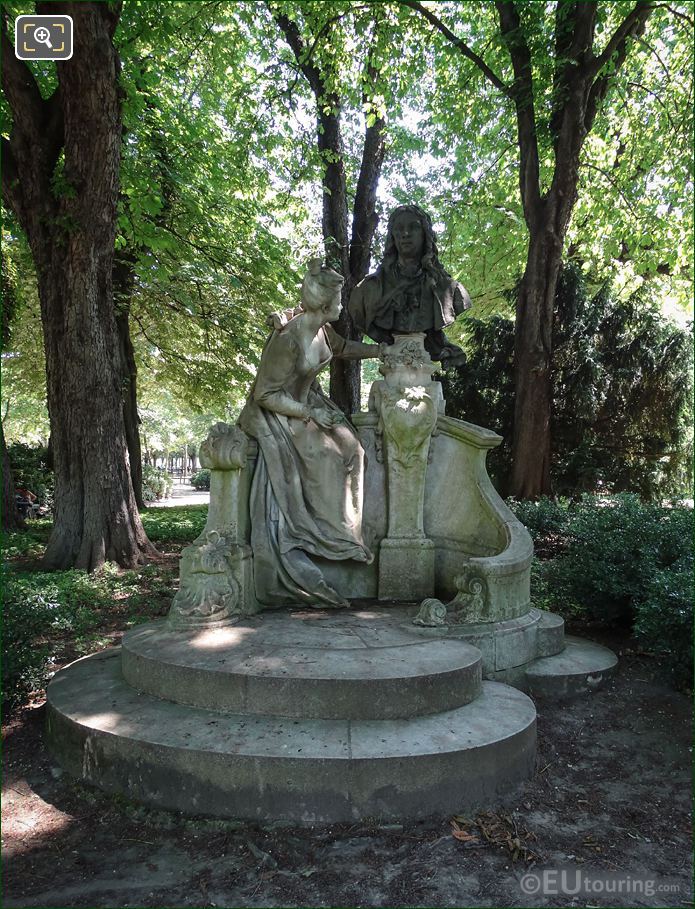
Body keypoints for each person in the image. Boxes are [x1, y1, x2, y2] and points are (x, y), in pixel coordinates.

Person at [239, 259, 382, 609]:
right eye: (338, 296)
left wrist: (381, 351)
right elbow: (265, 394)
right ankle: (320, 534)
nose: (342, 303)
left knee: (354, 449)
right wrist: (309, 413)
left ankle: (346, 532)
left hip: (310, 406)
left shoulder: (322, 331)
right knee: (327, 457)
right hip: (282, 412)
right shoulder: (288, 339)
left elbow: (344, 348)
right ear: (324, 301)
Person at [349, 204, 471, 366]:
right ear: (392, 236)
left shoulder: (450, 290)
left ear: (425, 234)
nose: (405, 234)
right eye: (399, 228)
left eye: (413, 227)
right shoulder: (367, 289)